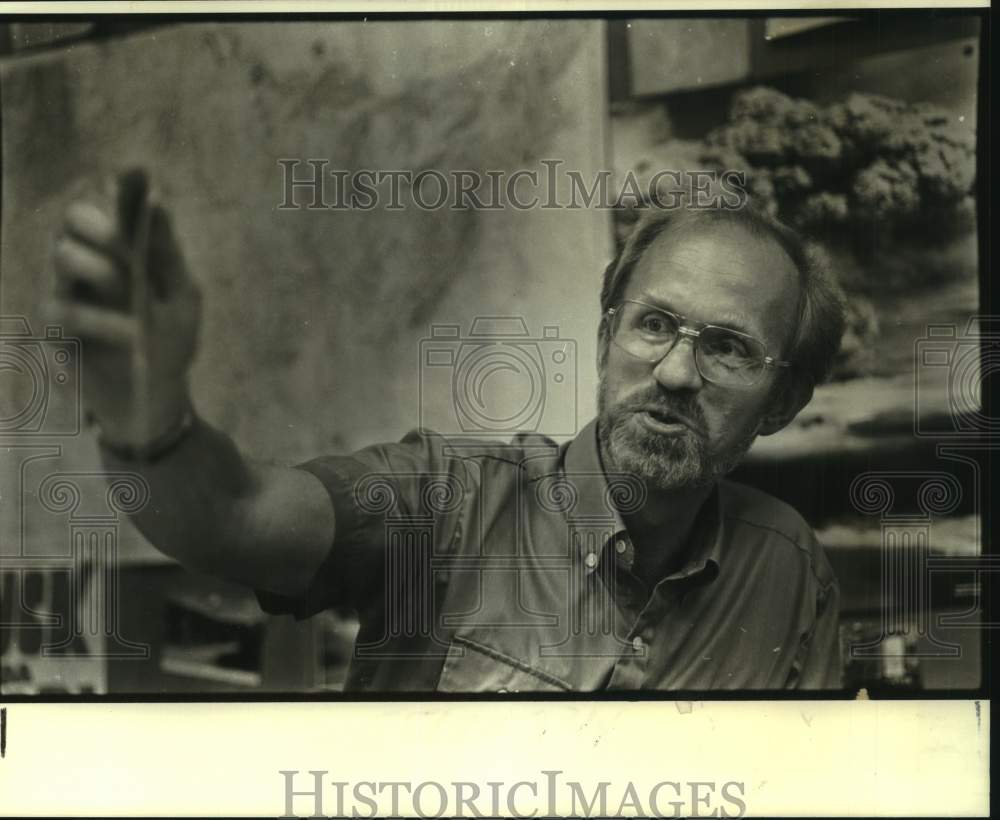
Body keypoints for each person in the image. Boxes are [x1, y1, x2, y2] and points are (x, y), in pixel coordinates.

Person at [49, 171, 847, 691]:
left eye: (729, 347)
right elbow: (235, 518)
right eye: (656, 325)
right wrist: (145, 413)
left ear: (782, 401)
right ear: (607, 341)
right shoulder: (445, 501)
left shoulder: (788, 566)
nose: (675, 371)